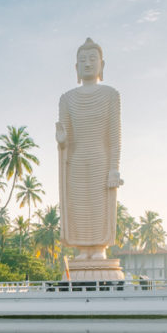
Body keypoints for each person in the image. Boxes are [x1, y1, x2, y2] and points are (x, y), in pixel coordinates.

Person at [56, 38, 122, 261]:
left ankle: (99, 249)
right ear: (76, 67)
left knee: (99, 205)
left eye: (92, 59)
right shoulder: (66, 99)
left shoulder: (111, 95)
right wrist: (62, 141)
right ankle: (83, 249)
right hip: (75, 160)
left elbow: (114, 135)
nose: (87, 64)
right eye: (82, 60)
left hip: (100, 160)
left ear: (102, 65)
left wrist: (114, 168)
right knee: (78, 206)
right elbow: (65, 135)